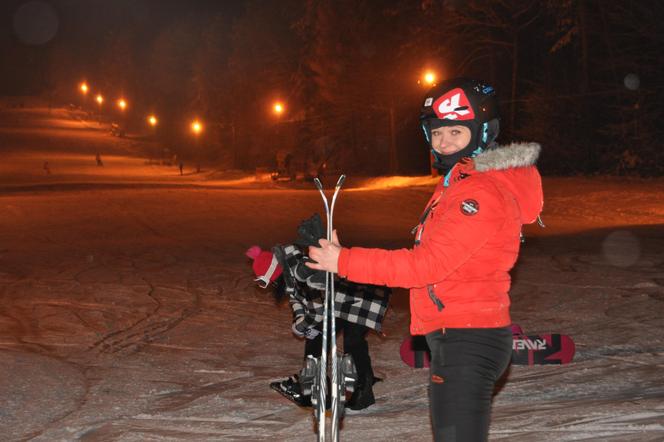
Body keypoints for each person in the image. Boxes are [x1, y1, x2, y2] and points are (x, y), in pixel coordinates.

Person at [307, 78, 543, 441]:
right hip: (461, 336)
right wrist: (342, 256)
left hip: (468, 339)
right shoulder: (461, 182)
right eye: (436, 132)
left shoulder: (478, 192)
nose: (443, 141)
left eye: (455, 131)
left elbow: (425, 266)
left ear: (481, 134)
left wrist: (345, 261)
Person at [246, 214, 391, 411]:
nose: (272, 286)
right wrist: (300, 323)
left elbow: (317, 309)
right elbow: (296, 301)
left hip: (361, 294)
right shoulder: (291, 271)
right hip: (340, 300)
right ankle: (318, 383)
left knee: (351, 340)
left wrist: (306, 326)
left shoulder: (302, 269)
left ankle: (359, 387)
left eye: (270, 282)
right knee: (322, 338)